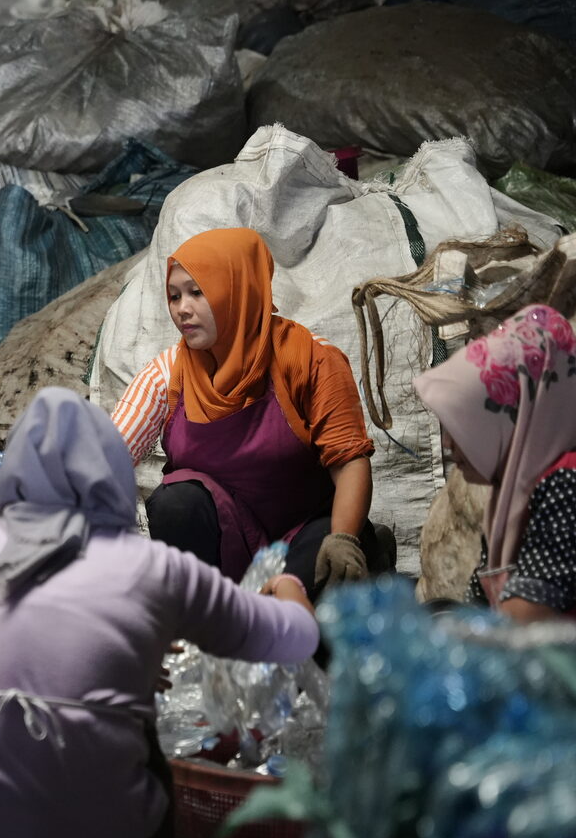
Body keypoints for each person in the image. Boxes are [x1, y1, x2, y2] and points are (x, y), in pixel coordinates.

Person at [0, 388, 320, 838]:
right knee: (132, 728)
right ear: (114, 471)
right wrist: (288, 586)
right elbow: (295, 639)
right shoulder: (155, 568)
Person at [111, 227, 382, 598]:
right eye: (174, 296)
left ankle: (365, 553)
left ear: (238, 289)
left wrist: (343, 539)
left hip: (304, 531)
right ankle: (205, 618)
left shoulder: (310, 358)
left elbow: (349, 459)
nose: (181, 309)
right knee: (176, 503)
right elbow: (107, 458)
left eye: (197, 292)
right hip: (222, 545)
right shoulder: (168, 372)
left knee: (293, 608)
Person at [414, 304, 576, 628]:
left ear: (510, 421)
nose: (448, 444)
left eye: (462, 425)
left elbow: (526, 617)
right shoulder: (511, 495)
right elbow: (480, 607)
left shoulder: (573, 482)